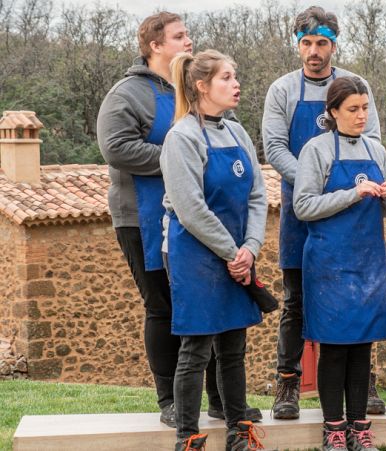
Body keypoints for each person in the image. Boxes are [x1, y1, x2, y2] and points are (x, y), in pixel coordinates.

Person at [96, 11, 259, 427]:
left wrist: (195, 169)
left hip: (207, 220)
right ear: (155, 45)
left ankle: (221, 399)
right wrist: (181, 164)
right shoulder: (127, 94)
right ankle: (170, 400)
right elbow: (116, 148)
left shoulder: (200, 90)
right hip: (141, 216)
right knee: (163, 308)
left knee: (211, 309)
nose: (188, 41)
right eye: (179, 35)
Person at [262, 5, 386, 419]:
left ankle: (365, 383)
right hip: (304, 209)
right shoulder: (282, 90)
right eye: (307, 43)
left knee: (362, 296)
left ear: (334, 44)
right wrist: (317, 181)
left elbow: (372, 141)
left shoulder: (355, 85)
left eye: (322, 43)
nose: (314, 51)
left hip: (357, 217)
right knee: (295, 299)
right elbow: (275, 147)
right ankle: (288, 384)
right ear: (297, 45)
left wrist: (342, 189)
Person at [161, 50, 267, 451]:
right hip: (195, 252)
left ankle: (239, 432)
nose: (236, 83)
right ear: (202, 86)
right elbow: (190, 209)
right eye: (226, 77)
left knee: (233, 347)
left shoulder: (238, 133)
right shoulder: (182, 137)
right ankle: (188, 438)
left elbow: (257, 196)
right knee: (197, 347)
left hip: (238, 253)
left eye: (235, 75)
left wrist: (251, 248)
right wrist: (231, 252)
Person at [293, 76, 386, 451]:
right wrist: (354, 193)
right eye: (352, 109)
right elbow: (303, 206)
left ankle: (360, 426)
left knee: (362, 347)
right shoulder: (316, 150)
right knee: (335, 348)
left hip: (369, 262)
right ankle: (334, 428)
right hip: (330, 264)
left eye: (365, 108)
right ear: (333, 112)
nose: (361, 116)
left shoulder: (376, 150)